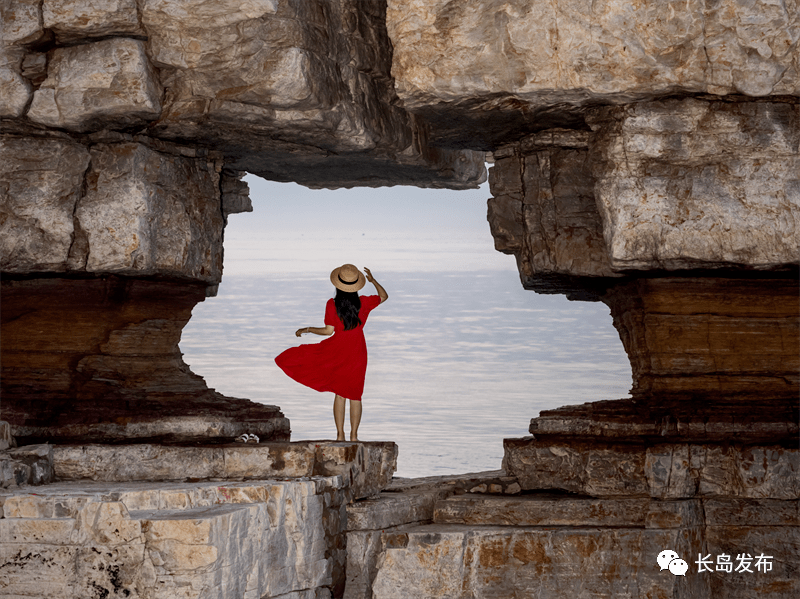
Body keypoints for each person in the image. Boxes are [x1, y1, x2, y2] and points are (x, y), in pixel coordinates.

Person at [275, 264, 388, 441]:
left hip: (338, 349)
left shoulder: (332, 304)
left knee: (340, 393)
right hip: (357, 351)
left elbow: (328, 331)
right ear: (357, 284)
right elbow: (383, 296)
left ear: (338, 285)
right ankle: (354, 436)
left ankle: (340, 435)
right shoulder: (364, 302)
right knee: (355, 394)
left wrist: (309, 329)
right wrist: (373, 281)